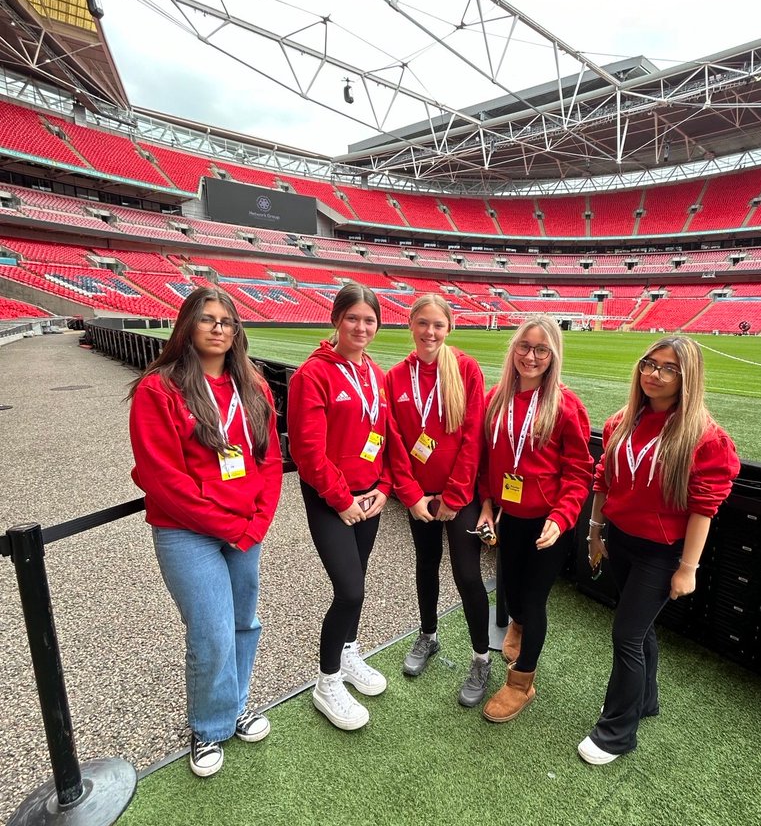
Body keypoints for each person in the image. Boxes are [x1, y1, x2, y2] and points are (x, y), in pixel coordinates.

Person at [128, 286, 283, 778]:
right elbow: (162, 478)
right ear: (187, 327)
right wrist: (231, 525)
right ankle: (209, 725)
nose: (219, 328)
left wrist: (256, 522)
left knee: (244, 622)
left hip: (244, 530)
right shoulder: (161, 388)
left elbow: (270, 460)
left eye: (227, 321)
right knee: (212, 630)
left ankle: (234, 705)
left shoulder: (253, 386)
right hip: (187, 531)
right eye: (208, 319)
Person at [579, 336, 740, 766]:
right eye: (649, 364)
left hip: (662, 552)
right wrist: (595, 533)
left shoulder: (705, 437)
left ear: (687, 377)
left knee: (626, 635)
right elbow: (603, 482)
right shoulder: (623, 421)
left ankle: (616, 734)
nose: (654, 374)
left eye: (668, 368)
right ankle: (643, 701)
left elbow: (703, 508)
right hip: (622, 541)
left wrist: (688, 568)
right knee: (641, 629)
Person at [477, 317, 592, 722]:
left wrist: (562, 518)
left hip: (548, 522)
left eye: (541, 349)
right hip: (511, 514)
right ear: (514, 349)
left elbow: (580, 472)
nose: (531, 356)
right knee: (511, 588)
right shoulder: (496, 399)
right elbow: (487, 461)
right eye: (524, 346)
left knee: (534, 598)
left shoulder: (566, 405)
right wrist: (488, 505)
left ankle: (521, 682)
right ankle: (519, 627)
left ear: (553, 355)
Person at [287, 283, 391, 732]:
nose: (361, 327)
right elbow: (308, 453)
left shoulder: (376, 373)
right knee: (349, 590)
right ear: (336, 320)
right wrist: (343, 500)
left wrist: (384, 487)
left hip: (370, 497)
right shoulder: (312, 375)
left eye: (369, 320)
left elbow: (384, 439)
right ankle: (326, 682)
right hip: (333, 500)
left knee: (359, 581)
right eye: (353, 318)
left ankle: (349, 652)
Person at [385, 293, 491, 705]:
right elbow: (394, 443)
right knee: (426, 565)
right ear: (410, 326)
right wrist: (411, 496)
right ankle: (428, 635)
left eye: (438, 325)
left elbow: (472, 437)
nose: (430, 332)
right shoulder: (395, 377)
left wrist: (454, 496)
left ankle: (481, 657)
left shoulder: (464, 369)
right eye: (423, 323)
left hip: (456, 497)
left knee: (467, 574)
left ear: (449, 329)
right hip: (417, 500)